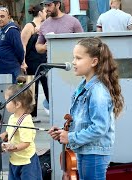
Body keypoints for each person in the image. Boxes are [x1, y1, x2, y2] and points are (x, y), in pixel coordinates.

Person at [48, 37, 124, 179]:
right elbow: (82, 122)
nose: (73, 62)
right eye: (73, 57)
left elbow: (99, 127)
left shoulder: (97, 91)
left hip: (94, 154)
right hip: (86, 150)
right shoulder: (84, 86)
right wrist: (63, 133)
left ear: (94, 62)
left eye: (78, 58)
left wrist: (70, 137)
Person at [0, 76, 42, 180]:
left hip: (27, 162)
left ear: (17, 104)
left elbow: (26, 143)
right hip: (15, 160)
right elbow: (8, 134)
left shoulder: (26, 120)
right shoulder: (13, 117)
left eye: (7, 101)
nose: (5, 104)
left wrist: (14, 147)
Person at [21, 4, 48, 122]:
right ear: (40, 13)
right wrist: (23, 62)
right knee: (32, 87)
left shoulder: (44, 26)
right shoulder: (29, 26)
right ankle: (32, 114)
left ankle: (54, 109)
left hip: (43, 60)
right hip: (31, 61)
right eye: (45, 11)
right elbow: (23, 45)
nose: (47, 13)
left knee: (48, 86)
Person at [0, 6, 24, 83]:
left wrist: (15, 63)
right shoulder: (0, 29)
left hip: (11, 71)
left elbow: (19, 50)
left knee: (13, 93)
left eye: (2, 16)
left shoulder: (12, 30)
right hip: (1, 70)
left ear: (9, 17)